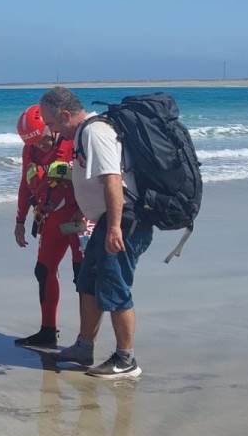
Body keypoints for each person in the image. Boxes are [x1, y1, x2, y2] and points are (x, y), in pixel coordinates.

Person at [39, 87, 151, 378]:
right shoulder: (82, 135)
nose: (50, 130)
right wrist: (83, 212)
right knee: (88, 282)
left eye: (50, 123)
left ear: (64, 115)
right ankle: (84, 346)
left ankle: (126, 359)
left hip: (125, 221)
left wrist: (114, 227)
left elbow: (112, 181)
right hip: (106, 220)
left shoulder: (94, 132)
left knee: (115, 287)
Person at [12, 105, 84, 349]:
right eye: (34, 143)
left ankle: (85, 341)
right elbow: (25, 185)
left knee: (83, 277)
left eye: (43, 140)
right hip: (50, 218)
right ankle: (47, 331)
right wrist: (20, 221)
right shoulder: (29, 150)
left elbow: (99, 180)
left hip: (80, 220)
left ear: (51, 127)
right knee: (43, 272)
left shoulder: (75, 142)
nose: (40, 146)